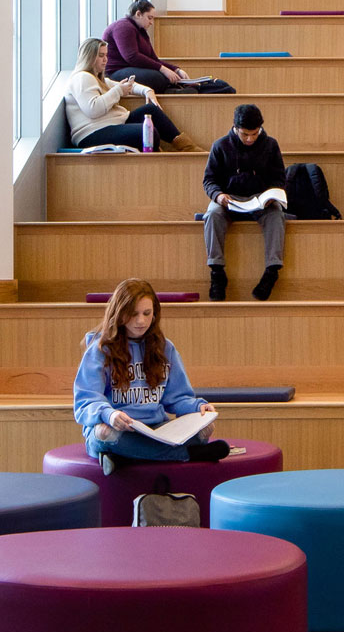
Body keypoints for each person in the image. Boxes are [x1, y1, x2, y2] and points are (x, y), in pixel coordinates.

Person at [72, 278, 229, 476]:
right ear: (120, 314)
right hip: (118, 429)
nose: (141, 321)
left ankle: (124, 457)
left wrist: (198, 407)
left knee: (204, 430)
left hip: (156, 429)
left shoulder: (165, 348)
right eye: (133, 314)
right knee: (104, 435)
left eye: (147, 313)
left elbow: (178, 398)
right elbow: (86, 400)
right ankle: (187, 454)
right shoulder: (100, 350)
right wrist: (109, 415)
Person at [203, 103, 288, 302]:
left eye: (254, 134)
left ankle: (272, 270)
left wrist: (270, 195)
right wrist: (218, 195)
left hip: (260, 200)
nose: (250, 139)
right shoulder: (220, 145)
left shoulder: (271, 145)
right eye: (244, 134)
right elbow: (209, 180)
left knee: (277, 214)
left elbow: (279, 178)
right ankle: (217, 272)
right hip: (229, 200)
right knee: (212, 214)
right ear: (235, 128)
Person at [65, 38, 184, 151]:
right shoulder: (82, 78)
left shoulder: (99, 80)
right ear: (89, 57)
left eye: (106, 55)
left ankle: (186, 147)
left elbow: (128, 85)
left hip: (111, 124)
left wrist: (147, 91)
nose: (105, 59)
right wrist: (118, 91)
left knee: (151, 110)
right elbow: (93, 110)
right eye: (101, 56)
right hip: (92, 132)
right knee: (148, 133)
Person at [102, 0, 195, 94]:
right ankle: (171, 89)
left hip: (131, 69)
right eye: (149, 18)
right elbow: (132, 57)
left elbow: (154, 60)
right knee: (157, 77)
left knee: (164, 76)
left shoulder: (141, 32)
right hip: (115, 72)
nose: (151, 22)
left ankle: (173, 89)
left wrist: (176, 70)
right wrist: (163, 69)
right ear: (138, 14)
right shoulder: (123, 27)